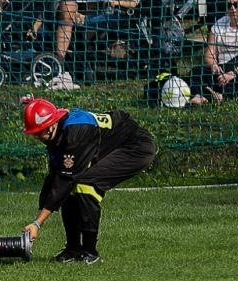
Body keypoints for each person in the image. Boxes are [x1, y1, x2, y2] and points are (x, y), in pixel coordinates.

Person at [18, 95, 156, 264]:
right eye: (35, 133)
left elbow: (65, 181)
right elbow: (54, 179)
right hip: (112, 144)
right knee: (70, 188)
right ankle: (73, 249)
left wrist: (38, 223)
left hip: (135, 147)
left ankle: (90, 252)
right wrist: (37, 216)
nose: (38, 137)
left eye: (40, 132)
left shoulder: (76, 133)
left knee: (85, 185)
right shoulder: (56, 134)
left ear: (52, 124)